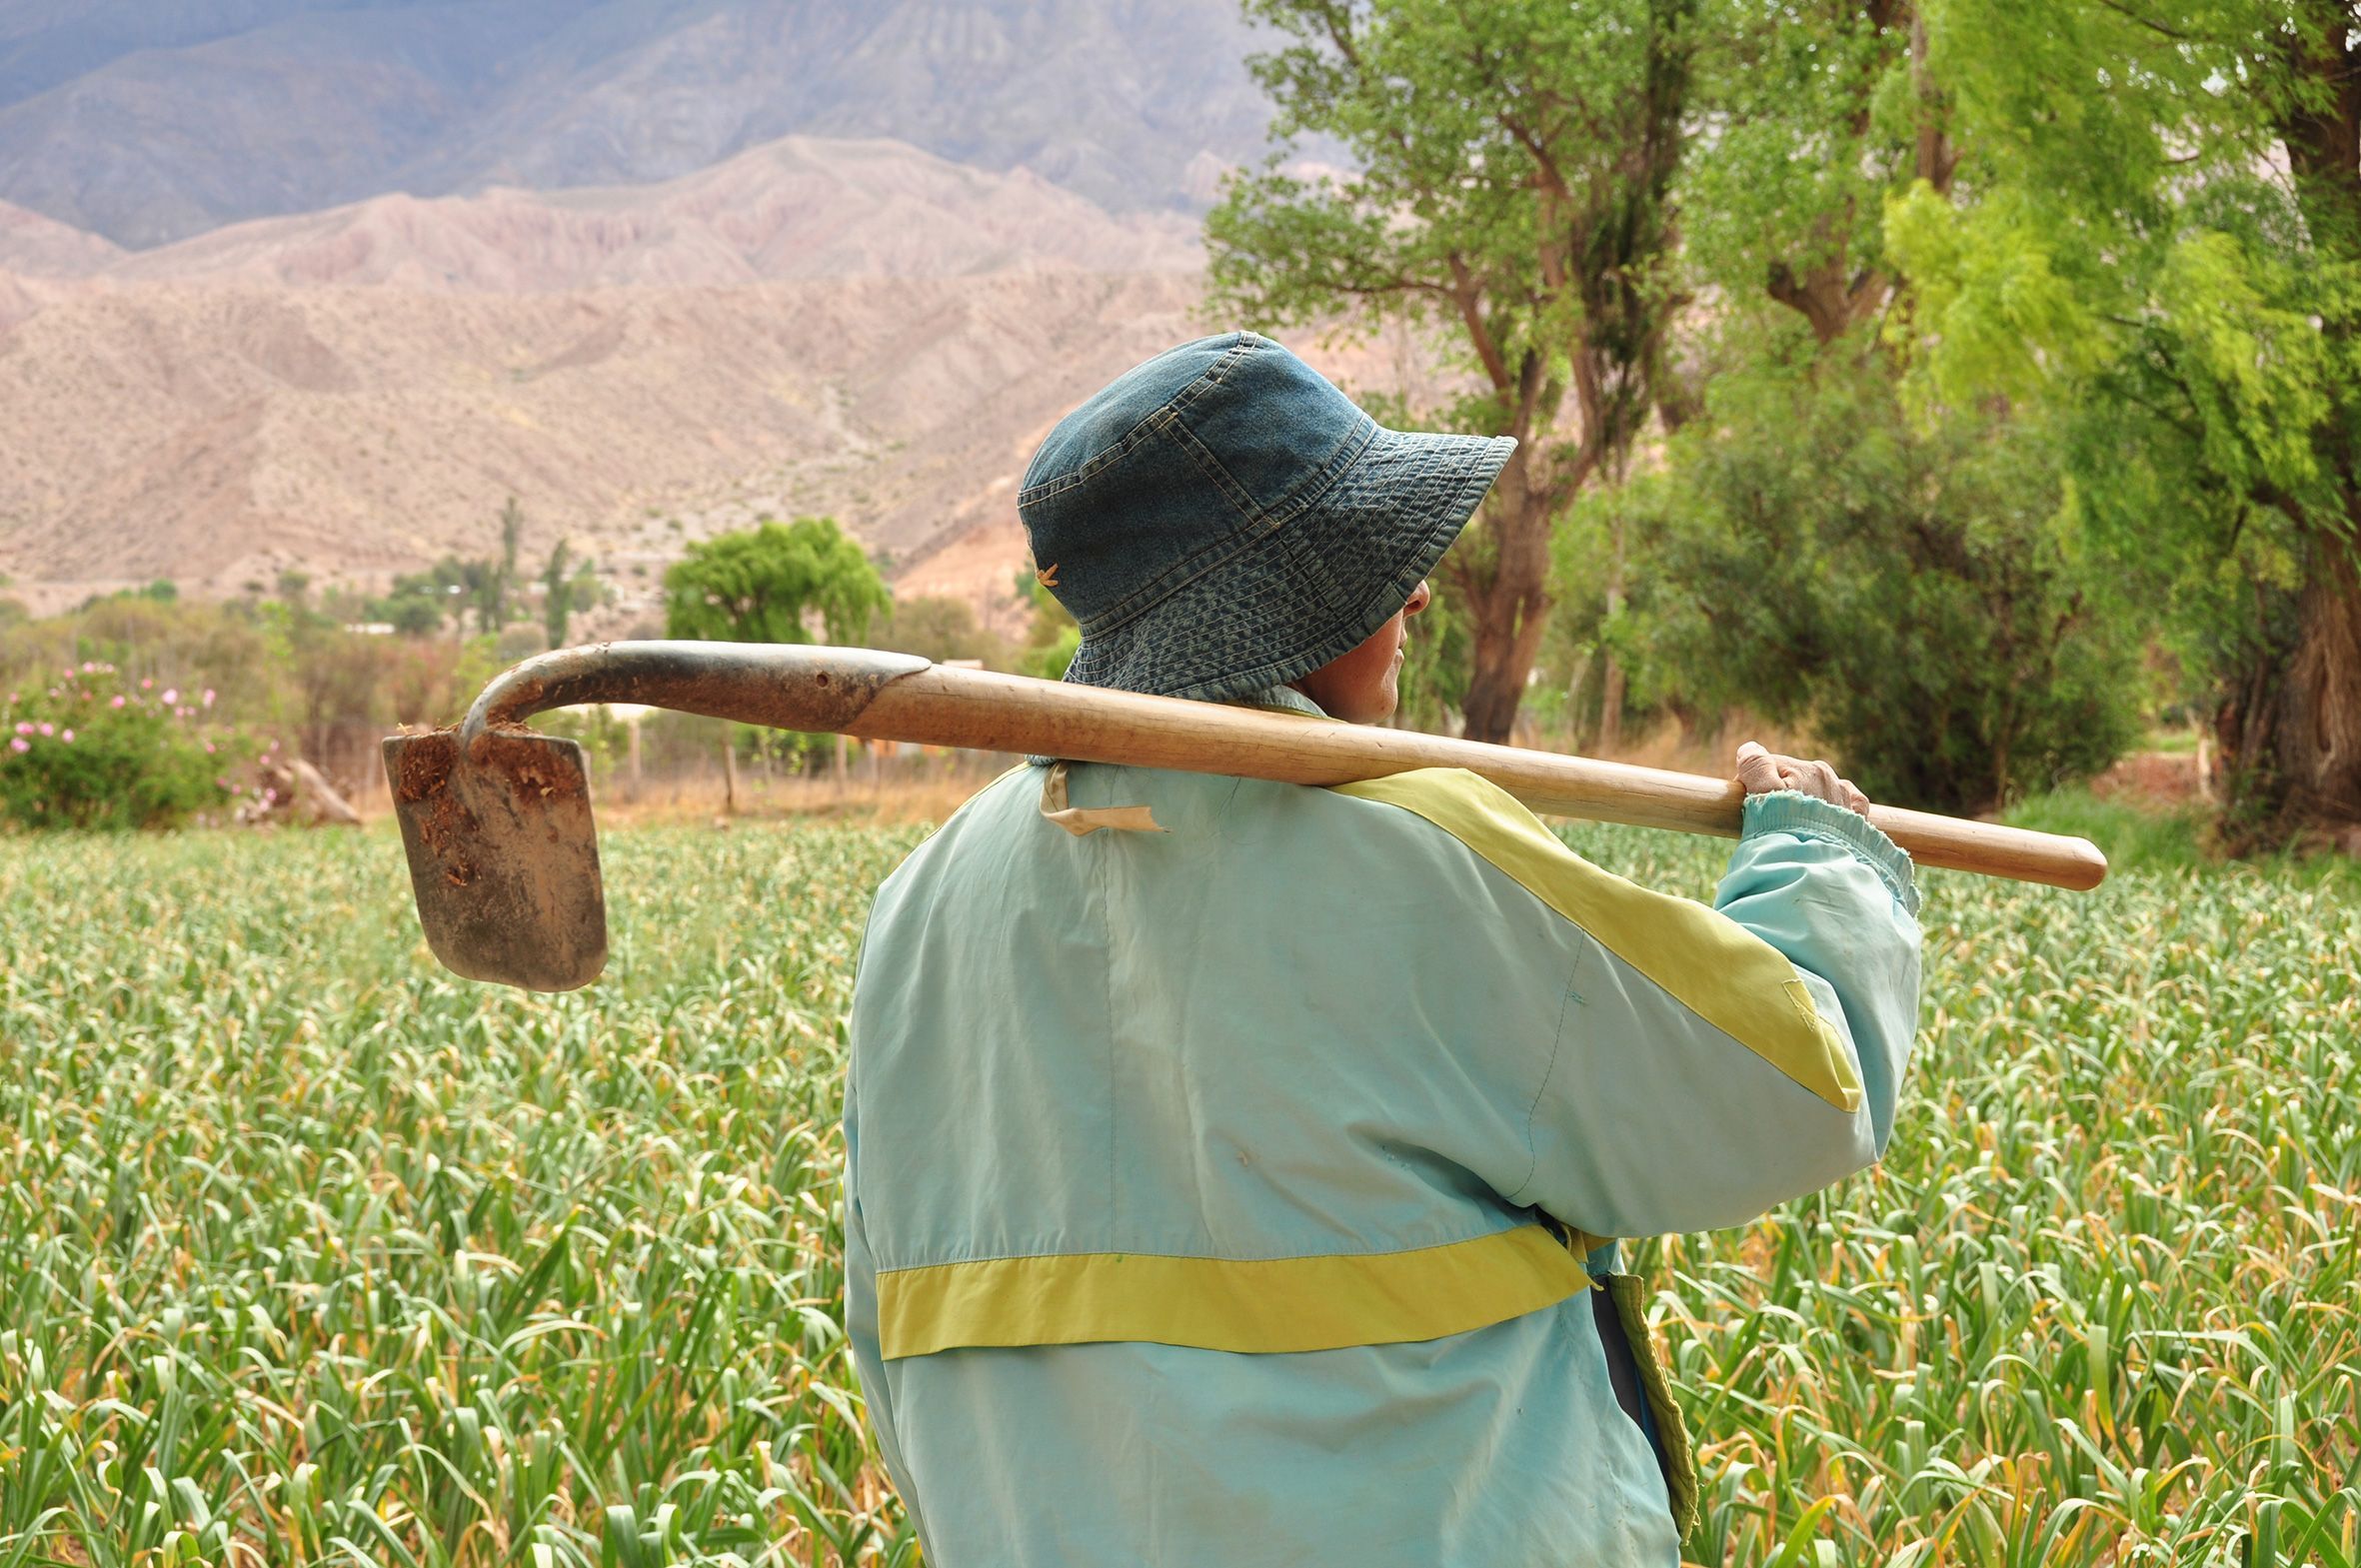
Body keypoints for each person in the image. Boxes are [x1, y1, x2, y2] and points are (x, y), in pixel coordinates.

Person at [843, 331, 1922, 1565]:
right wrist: (1820, 862)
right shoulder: (1406, 841)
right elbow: (1788, 1090)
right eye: (1372, 571)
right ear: (1275, 616)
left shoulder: (918, 905)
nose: (1415, 596)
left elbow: (891, 1346)